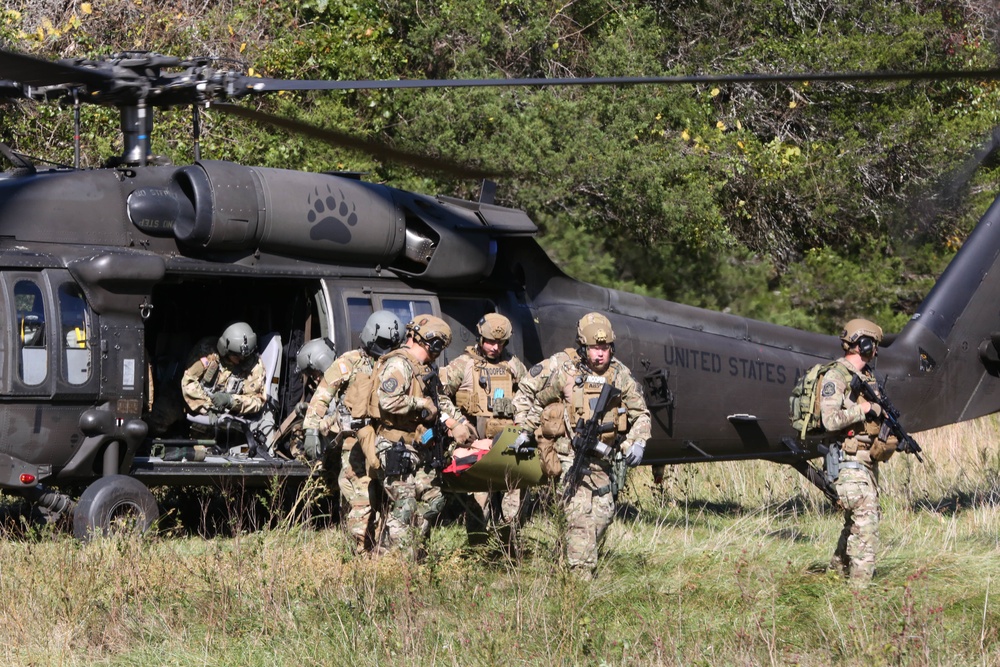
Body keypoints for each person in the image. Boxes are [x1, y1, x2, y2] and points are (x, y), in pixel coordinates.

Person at [512, 312, 651, 579]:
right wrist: (524, 431)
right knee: (578, 516)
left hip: (602, 458)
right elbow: (535, 398)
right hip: (568, 456)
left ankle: (569, 557)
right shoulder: (565, 370)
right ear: (582, 346)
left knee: (604, 514)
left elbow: (640, 414)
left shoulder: (620, 375)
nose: (600, 354)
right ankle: (580, 580)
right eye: (594, 349)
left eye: (605, 348)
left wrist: (638, 442)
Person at [370, 314, 473, 558]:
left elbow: (440, 400)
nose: (439, 352)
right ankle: (393, 565)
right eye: (438, 345)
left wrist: (459, 422)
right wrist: (421, 404)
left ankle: (414, 554)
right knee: (404, 509)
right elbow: (387, 400)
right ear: (427, 341)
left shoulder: (424, 369)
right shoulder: (399, 364)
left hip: (420, 446)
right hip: (396, 446)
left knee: (434, 500)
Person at [302, 311, 403, 553]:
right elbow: (323, 395)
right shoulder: (350, 362)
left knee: (390, 499)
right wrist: (312, 430)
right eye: (382, 343)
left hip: (388, 442)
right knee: (358, 499)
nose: (385, 348)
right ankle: (360, 553)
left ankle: (385, 553)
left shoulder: (397, 364)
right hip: (356, 445)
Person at [439, 312, 529, 546]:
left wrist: (520, 423)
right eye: (489, 341)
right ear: (480, 338)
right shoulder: (464, 365)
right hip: (475, 444)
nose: (494, 347)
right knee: (478, 502)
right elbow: (438, 394)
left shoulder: (512, 366)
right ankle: (478, 549)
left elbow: (529, 396)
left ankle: (509, 549)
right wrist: (458, 423)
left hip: (505, 444)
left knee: (513, 499)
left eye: (499, 343)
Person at [820, 318, 892, 585]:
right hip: (848, 465)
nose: (875, 351)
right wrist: (862, 410)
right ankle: (859, 600)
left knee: (855, 526)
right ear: (864, 344)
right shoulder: (836, 376)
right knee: (866, 533)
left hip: (864, 464)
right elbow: (829, 420)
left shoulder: (864, 378)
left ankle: (833, 580)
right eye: (873, 345)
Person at [181, 321, 266, 439]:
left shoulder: (253, 365)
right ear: (225, 350)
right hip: (197, 404)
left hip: (228, 417)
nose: (242, 359)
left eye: (246, 356)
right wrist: (208, 406)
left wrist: (231, 400)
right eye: (237, 355)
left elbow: (257, 400)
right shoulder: (207, 351)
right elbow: (188, 381)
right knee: (162, 414)